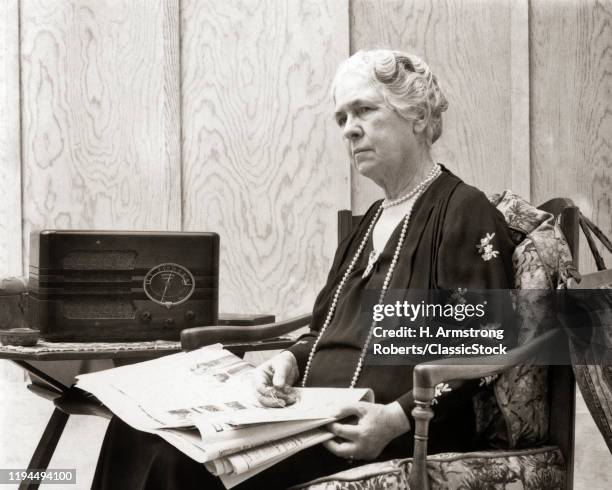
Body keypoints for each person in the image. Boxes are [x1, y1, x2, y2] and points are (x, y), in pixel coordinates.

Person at [92, 49, 515, 489]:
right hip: (309, 420)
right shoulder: (367, 221)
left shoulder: (463, 210)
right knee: (132, 433)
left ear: (419, 117)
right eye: (341, 118)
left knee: (176, 465)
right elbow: (324, 330)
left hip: (392, 435)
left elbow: (485, 348)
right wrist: (289, 360)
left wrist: (394, 418)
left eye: (365, 110)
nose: (350, 129)